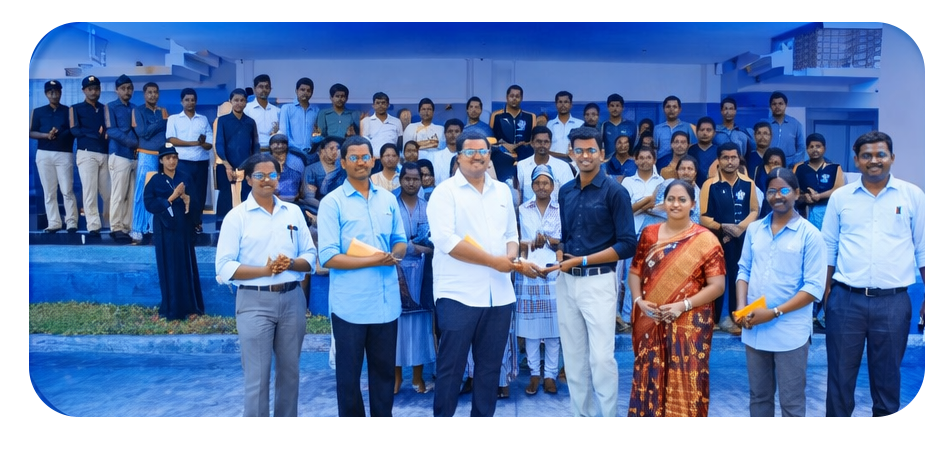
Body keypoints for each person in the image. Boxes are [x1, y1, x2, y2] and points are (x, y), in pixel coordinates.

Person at [428, 129, 531, 418]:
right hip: (458, 295)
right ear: (458, 157)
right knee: (451, 368)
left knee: (489, 369)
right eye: (470, 151)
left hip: (499, 295)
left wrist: (510, 257)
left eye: (483, 151)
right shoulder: (444, 193)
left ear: (489, 155)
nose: (477, 156)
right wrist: (494, 262)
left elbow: (511, 234)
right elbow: (447, 241)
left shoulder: (502, 191)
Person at [822, 131, 926, 418]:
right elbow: (828, 246)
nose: (874, 160)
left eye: (881, 154)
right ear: (856, 160)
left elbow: (925, 248)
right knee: (839, 380)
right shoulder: (841, 197)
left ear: (892, 157)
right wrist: (826, 292)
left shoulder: (912, 195)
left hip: (893, 303)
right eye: (866, 155)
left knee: (887, 381)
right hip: (846, 300)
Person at [215, 152, 316, 418]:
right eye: (259, 175)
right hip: (254, 301)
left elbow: (310, 256)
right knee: (257, 378)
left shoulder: (293, 212)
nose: (267, 180)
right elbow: (224, 266)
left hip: (292, 300)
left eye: (272, 174)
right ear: (248, 179)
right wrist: (265, 270)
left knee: (290, 374)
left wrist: (290, 264)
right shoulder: (237, 217)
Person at [319, 135, 406, 418]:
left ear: (373, 160)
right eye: (353, 158)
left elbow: (400, 240)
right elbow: (328, 257)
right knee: (348, 380)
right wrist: (374, 260)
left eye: (365, 157)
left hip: (385, 304)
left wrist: (395, 253)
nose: (360, 162)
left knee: (384, 376)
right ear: (343, 163)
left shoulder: (388, 200)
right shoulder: (332, 203)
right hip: (350, 307)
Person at [557, 126, 637, 418]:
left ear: (602, 154)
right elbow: (566, 237)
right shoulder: (565, 191)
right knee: (574, 359)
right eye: (579, 150)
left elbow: (627, 244)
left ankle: (608, 421)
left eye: (591, 150)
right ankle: (583, 420)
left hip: (599, 282)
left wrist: (582, 261)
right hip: (566, 282)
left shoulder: (616, 192)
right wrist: (559, 256)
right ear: (571, 153)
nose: (585, 156)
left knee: (601, 359)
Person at [627, 180, 726, 417]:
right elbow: (635, 272)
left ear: (693, 204)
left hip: (689, 323)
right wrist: (639, 302)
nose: (675, 204)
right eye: (670, 199)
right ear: (664, 203)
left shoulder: (706, 239)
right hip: (651, 319)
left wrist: (683, 305)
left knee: (687, 381)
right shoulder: (649, 234)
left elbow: (718, 286)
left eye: (682, 199)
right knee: (649, 377)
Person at [735, 167, 826, 418]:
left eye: (784, 190)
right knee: (759, 397)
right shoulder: (755, 229)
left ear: (796, 193)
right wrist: (742, 308)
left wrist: (773, 312)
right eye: (771, 191)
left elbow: (813, 288)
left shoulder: (810, 235)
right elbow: (744, 270)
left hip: (790, 332)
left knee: (791, 402)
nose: (778, 196)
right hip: (755, 328)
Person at [700, 142, 759, 333]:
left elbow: (754, 210)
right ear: (718, 160)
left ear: (739, 159)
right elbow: (703, 217)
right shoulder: (709, 185)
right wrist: (723, 227)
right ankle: (718, 318)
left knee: (740, 276)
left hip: (742, 239)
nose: (730, 161)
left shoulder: (748, 183)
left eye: (733, 157)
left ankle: (739, 316)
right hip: (716, 240)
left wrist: (739, 228)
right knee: (716, 278)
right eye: (725, 157)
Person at [516, 164, 562, 395]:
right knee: (532, 327)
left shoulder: (561, 209)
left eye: (546, 183)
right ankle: (535, 373)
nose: (542, 187)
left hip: (554, 270)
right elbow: (518, 240)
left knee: (554, 328)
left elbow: (564, 239)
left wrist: (550, 240)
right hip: (530, 271)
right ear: (532, 186)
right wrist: (531, 242)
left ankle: (550, 375)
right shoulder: (523, 209)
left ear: (553, 186)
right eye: (537, 183)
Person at [144, 143, 204, 320]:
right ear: (161, 160)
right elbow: (149, 203)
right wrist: (172, 197)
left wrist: (187, 199)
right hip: (165, 231)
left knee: (186, 266)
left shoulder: (185, 177)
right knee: (168, 266)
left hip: (183, 229)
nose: (172, 161)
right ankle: (171, 308)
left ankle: (191, 307)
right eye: (168, 158)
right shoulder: (155, 180)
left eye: (174, 157)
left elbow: (196, 202)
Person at [393, 162, 436, 394]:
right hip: (395, 271)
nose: (411, 183)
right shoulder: (390, 205)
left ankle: (418, 377)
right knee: (396, 326)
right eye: (407, 178)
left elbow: (434, 241)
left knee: (419, 325)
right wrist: (412, 248)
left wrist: (422, 249)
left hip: (422, 272)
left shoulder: (428, 207)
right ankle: (396, 377)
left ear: (422, 181)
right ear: (400, 180)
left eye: (416, 179)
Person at [30, 79, 77, 233]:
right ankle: (54, 222)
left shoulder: (68, 111)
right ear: (46, 94)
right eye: (51, 92)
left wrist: (58, 134)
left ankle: (71, 222)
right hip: (44, 153)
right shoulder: (38, 111)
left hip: (64, 153)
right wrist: (46, 135)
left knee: (67, 189)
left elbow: (73, 130)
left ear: (61, 93)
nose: (54, 94)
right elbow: (31, 132)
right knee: (49, 191)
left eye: (56, 91)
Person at [166, 88, 213, 233]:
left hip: (201, 162)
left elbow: (209, 144)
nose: (190, 102)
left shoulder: (203, 119)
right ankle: (184, 223)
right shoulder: (174, 119)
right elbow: (171, 139)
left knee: (199, 194)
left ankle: (197, 223)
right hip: (182, 163)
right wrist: (195, 143)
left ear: (196, 101)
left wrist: (202, 143)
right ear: (181, 102)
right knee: (183, 193)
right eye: (187, 100)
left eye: (192, 100)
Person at [70, 75, 110, 235]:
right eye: (90, 89)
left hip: (104, 153)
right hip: (87, 153)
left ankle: (112, 223)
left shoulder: (104, 108)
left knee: (109, 192)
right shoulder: (76, 108)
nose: (93, 92)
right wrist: (95, 133)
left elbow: (109, 129)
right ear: (84, 90)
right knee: (89, 191)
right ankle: (93, 226)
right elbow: (74, 129)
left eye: (96, 89)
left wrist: (104, 133)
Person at [130, 82, 168, 243]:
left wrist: (152, 127)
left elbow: (165, 132)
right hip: (146, 155)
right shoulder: (137, 111)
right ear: (144, 94)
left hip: (162, 157)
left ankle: (152, 227)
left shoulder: (163, 111)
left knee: (158, 193)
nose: (153, 95)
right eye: (149, 92)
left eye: (155, 92)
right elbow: (142, 133)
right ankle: (137, 229)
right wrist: (159, 124)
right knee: (142, 192)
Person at [104, 74, 139, 244]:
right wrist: (133, 142)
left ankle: (126, 227)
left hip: (134, 156)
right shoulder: (110, 107)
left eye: (129, 88)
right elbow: (111, 130)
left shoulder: (135, 108)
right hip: (119, 154)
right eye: (123, 88)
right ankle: (116, 227)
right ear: (116, 90)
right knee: (118, 194)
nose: (127, 91)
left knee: (131, 195)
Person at [215, 89, 259, 215]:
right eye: (236, 100)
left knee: (247, 197)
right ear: (230, 101)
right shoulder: (222, 121)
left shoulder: (250, 122)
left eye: (242, 100)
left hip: (246, 166)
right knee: (225, 198)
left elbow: (255, 145)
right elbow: (219, 143)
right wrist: (227, 165)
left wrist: (254, 165)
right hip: (226, 165)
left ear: (246, 102)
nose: (239, 103)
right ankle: (223, 224)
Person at [793, 133, 844, 228]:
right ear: (807, 149)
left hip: (829, 211)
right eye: (811, 147)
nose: (814, 149)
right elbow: (793, 191)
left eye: (818, 146)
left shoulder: (834, 168)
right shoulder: (799, 168)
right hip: (805, 213)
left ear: (824, 148)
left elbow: (838, 189)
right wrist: (804, 197)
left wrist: (819, 196)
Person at [516, 126, 574, 202]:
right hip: (527, 209)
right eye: (538, 142)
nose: (542, 145)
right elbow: (518, 195)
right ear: (532, 143)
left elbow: (570, 195)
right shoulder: (522, 165)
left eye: (546, 142)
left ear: (550, 143)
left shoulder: (563, 167)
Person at [490, 84, 536, 181]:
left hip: (524, 155)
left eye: (517, 96)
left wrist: (522, 145)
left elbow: (534, 140)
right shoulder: (497, 116)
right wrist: (504, 145)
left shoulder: (530, 117)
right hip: (502, 155)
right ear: (507, 97)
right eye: (512, 96)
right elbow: (491, 139)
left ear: (521, 98)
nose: (514, 98)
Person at [649, 155, 701, 225]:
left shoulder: (700, 194)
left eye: (690, 169)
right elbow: (651, 208)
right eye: (682, 169)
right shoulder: (667, 184)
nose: (686, 172)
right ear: (677, 171)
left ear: (695, 172)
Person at [279, 77, 319, 158]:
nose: (305, 93)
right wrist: (297, 149)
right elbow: (284, 133)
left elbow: (316, 132)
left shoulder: (315, 110)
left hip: (311, 153)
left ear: (312, 93)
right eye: (302, 90)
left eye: (308, 90)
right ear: (296, 91)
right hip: (293, 152)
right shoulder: (287, 108)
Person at [765, 91, 806, 168]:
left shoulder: (795, 124)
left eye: (780, 104)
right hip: (768, 165)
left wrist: (794, 165)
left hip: (790, 167)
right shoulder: (765, 124)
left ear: (786, 105)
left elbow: (801, 147)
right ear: (770, 106)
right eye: (774, 104)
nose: (777, 106)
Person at [360, 92, 403, 160]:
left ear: (388, 105)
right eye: (377, 103)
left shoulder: (396, 122)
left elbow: (399, 145)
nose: (380, 106)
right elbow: (362, 144)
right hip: (372, 160)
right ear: (373, 105)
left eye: (383, 103)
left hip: (391, 160)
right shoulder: (365, 122)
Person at [653, 95, 696, 162]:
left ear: (679, 110)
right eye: (668, 106)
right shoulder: (657, 129)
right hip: (661, 162)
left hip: (682, 162)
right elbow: (654, 149)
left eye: (674, 107)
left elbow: (692, 146)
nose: (671, 109)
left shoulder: (687, 127)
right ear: (663, 109)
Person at [244, 74, 280, 152]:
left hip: (272, 152)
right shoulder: (246, 109)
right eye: (261, 87)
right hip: (252, 152)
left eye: (267, 87)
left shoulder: (277, 111)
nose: (264, 90)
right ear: (254, 89)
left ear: (270, 89)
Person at [601, 93, 637, 163]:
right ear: (608, 107)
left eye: (617, 106)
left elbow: (635, 146)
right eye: (612, 106)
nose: (615, 109)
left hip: (627, 163)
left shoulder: (632, 126)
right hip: (609, 163)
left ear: (623, 107)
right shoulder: (604, 126)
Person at [547, 91, 584, 160]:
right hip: (553, 162)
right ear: (556, 104)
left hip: (574, 162)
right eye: (560, 102)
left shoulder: (580, 124)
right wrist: (565, 156)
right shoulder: (549, 124)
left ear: (571, 104)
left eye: (566, 102)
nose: (563, 105)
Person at [269, 134, 305, 203]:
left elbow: (302, 182)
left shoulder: (296, 161)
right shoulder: (265, 161)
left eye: (282, 143)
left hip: (293, 200)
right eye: (276, 143)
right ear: (270, 146)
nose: (279, 145)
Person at [752, 148, 786, 218]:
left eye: (776, 163)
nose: (773, 166)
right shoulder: (758, 171)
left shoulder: (786, 178)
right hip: (760, 212)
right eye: (770, 163)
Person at [688, 116, 718, 187]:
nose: (705, 133)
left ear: (714, 133)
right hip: (693, 188)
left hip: (714, 188)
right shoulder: (690, 150)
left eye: (708, 130)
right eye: (702, 130)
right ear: (696, 132)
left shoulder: (719, 151)